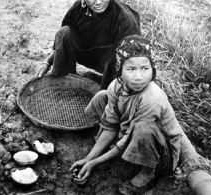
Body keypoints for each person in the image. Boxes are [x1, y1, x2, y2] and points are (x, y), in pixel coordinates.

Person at [70, 35, 184, 195]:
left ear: (152, 69)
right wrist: (88, 159)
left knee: (143, 128)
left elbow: (126, 141)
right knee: (102, 96)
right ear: (120, 70)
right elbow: (110, 126)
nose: (139, 77)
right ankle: (120, 151)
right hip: (130, 133)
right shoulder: (116, 87)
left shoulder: (152, 99)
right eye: (131, 69)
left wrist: (94, 163)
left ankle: (148, 173)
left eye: (145, 68)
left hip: (162, 152)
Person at [35, 0, 141, 89]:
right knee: (64, 32)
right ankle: (63, 79)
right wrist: (47, 62)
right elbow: (63, 41)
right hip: (87, 54)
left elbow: (132, 59)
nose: (99, 2)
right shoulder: (78, 8)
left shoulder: (125, 18)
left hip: (111, 62)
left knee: (108, 91)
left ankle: (105, 89)